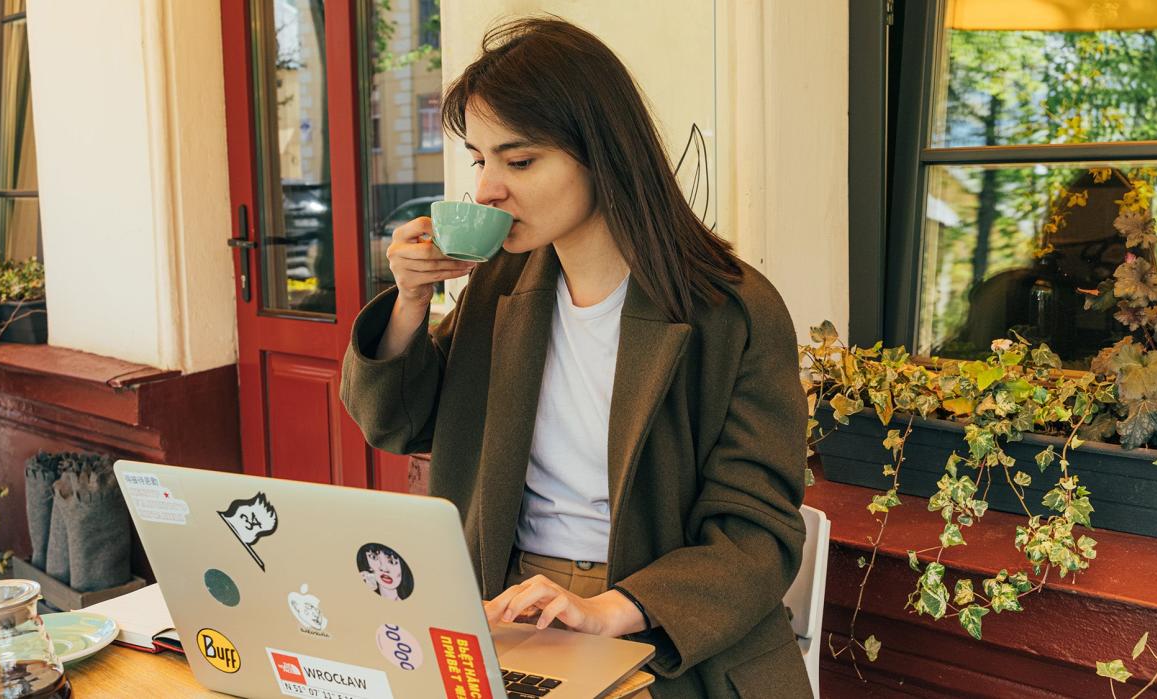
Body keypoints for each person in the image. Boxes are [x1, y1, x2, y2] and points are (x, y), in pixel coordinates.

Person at [341, 16, 811, 698]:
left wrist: (611, 609)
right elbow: (398, 423)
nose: (488, 190)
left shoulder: (730, 309)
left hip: (664, 630)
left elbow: (757, 533)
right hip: (508, 610)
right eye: (480, 159)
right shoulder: (500, 285)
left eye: (520, 160)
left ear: (605, 153)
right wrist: (410, 299)